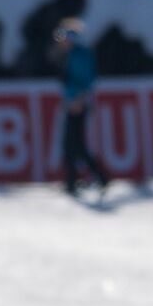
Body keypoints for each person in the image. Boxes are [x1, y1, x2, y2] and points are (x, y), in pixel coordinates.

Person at [52, 17, 109, 197]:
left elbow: (87, 81)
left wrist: (79, 100)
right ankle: (73, 182)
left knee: (76, 146)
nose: (63, 41)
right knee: (70, 146)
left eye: (66, 36)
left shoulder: (81, 54)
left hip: (78, 104)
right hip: (72, 103)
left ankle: (98, 178)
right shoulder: (68, 55)